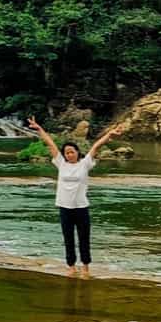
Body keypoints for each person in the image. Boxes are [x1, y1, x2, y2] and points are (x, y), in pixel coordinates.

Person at [25, 115, 126, 279]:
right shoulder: (61, 164)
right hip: (64, 207)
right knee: (68, 239)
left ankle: (85, 268)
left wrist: (110, 135)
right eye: (66, 153)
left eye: (71, 152)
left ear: (77, 153)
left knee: (84, 239)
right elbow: (50, 143)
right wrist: (39, 129)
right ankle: (71, 267)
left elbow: (96, 146)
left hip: (81, 207)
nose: (69, 154)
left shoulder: (85, 164)